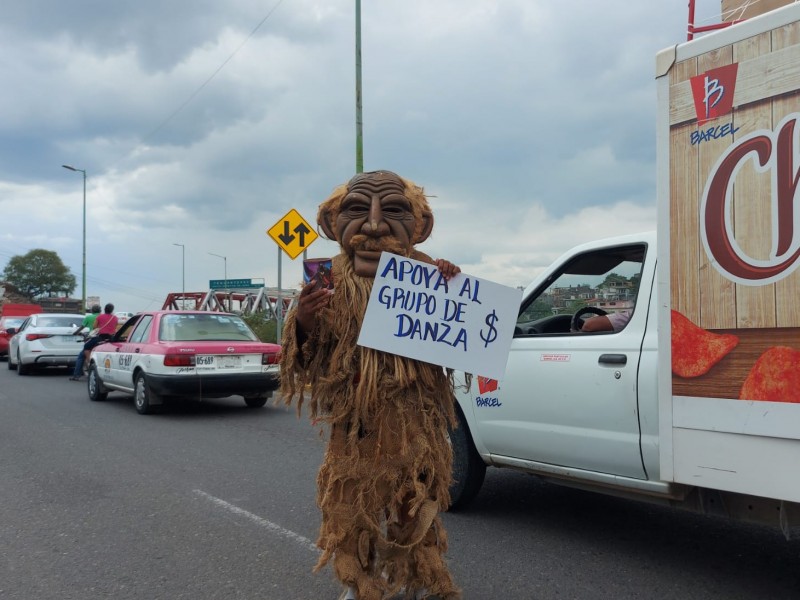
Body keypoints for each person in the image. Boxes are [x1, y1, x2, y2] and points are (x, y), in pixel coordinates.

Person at [280, 170, 462, 600]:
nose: (375, 224)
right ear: (331, 223)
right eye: (358, 210)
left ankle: (420, 578)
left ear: (420, 225)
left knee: (415, 505)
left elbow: (457, 338)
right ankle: (360, 583)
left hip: (415, 421)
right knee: (350, 509)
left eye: (394, 211)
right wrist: (305, 320)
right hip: (357, 425)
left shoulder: (426, 277)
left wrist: (450, 283)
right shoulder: (327, 281)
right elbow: (304, 360)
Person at [69, 303, 118, 380]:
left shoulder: (97, 317)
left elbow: (94, 327)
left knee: (85, 350)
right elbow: (115, 327)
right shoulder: (115, 318)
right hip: (111, 338)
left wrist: (76, 333)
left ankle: (90, 364)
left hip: (99, 337)